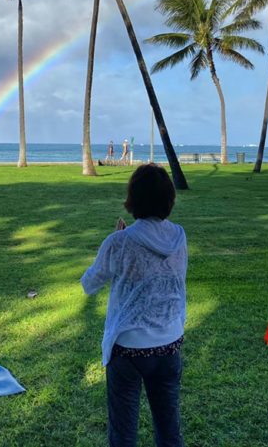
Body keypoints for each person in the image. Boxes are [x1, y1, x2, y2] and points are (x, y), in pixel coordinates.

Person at [81, 164, 187, 447]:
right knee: (169, 431)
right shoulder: (179, 236)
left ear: (133, 199)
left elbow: (89, 283)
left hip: (127, 349)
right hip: (170, 343)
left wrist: (114, 242)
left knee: (123, 434)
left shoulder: (118, 242)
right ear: (169, 199)